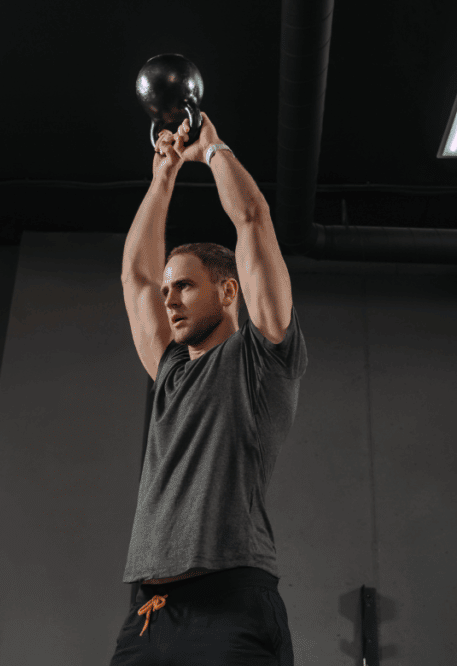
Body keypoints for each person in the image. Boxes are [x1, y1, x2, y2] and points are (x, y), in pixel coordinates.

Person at [111, 113, 308, 665]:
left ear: (227, 292)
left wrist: (213, 151)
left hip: (231, 602)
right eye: (170, 289)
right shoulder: (170, 372)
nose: (169, 300)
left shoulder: (261, 358)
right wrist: (163, 178)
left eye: (186, 287)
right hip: (151, 611)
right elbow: (136, 278)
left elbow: (251, 219)